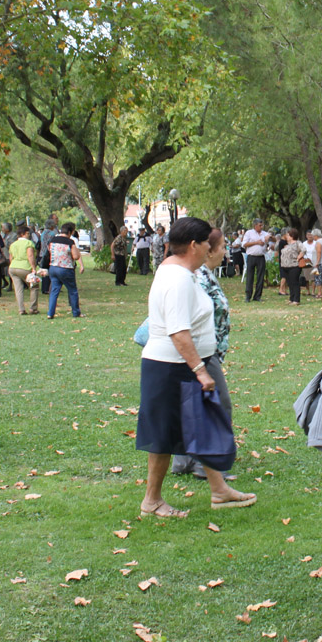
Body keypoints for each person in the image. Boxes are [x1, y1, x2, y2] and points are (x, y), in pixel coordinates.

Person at [137, 217, 256, 519]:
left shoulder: (183, 272)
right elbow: (178, 331)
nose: (209, 248)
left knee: (201, 425)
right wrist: (201, 370)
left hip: (183, 364)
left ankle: (219, 490)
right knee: (163, 436)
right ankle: (152, 501)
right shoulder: (177, 279)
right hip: (171, 366)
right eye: (205, 243)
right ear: (193, 245)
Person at [172, 228, 237, 480]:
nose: (225, 252)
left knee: (194, 404)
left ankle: (185, 460)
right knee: (218, 404)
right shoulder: (198, 278)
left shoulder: (206, 275)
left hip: (207, 351)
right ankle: (205, 464)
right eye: (222, 247)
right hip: (200, 353)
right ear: (209, 250)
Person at [47, 222, 85, 319]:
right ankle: (76, 312)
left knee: (54, 291)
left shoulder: (52, 240)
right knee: (72, 291)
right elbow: (76, 256)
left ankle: (50, 313)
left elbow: (49, 250)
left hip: (53, 267)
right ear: (70, 232)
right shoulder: (70, 242)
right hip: (66, 268)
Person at [8, 225, 40, 315]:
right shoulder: (29, 243)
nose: (29, 235)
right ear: (23, 234)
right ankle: (33, 308)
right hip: (25, 267)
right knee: (34, 286)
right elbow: (30, 256)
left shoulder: (13, 244)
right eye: (28, 233)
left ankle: (21, 309)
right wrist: (33, 268)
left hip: (13, 267)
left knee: (18, 289)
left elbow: (11, 257)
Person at [242, 218, 271, 302]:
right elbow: (244, 244)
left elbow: (274, 239)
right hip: (251, 256)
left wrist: (270, 237)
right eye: (260, 225)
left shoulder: (264, 233)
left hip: (261, 257)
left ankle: (257, 296)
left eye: (262, 225)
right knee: (250, 276)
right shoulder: (249, 233)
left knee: (260, 277)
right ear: (255, 226)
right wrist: (256, 242)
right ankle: (248, 296)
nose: (261, 227)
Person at [280, 228, 304, 305]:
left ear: (292, 236)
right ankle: (292, 298)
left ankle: (296, 300)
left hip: (294, 266)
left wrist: (299, 257)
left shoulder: (297, 243)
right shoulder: (288, 244)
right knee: (290, 283)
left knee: (294, 282)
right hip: (286, 266)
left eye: (288, 235)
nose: (286, 236)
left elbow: (304, 250)